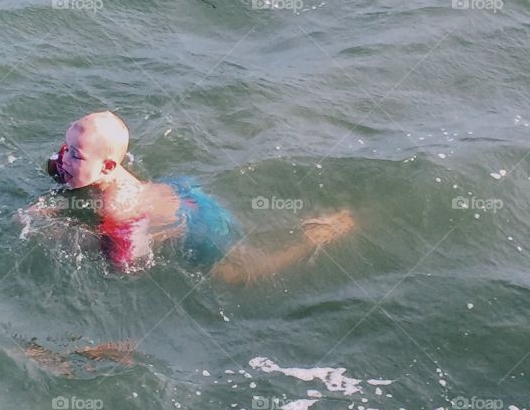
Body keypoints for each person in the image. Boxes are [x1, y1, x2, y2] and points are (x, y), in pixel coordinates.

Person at [45, 111, 355, 283]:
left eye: (75, 155)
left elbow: (128, 266)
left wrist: (64, 233)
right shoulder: (102, 174)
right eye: (66, 147)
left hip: (195, 225)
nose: (64, 158)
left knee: (239, 273)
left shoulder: (118, 207)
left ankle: (318, 236)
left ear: (108, 166)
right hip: (178, 192)